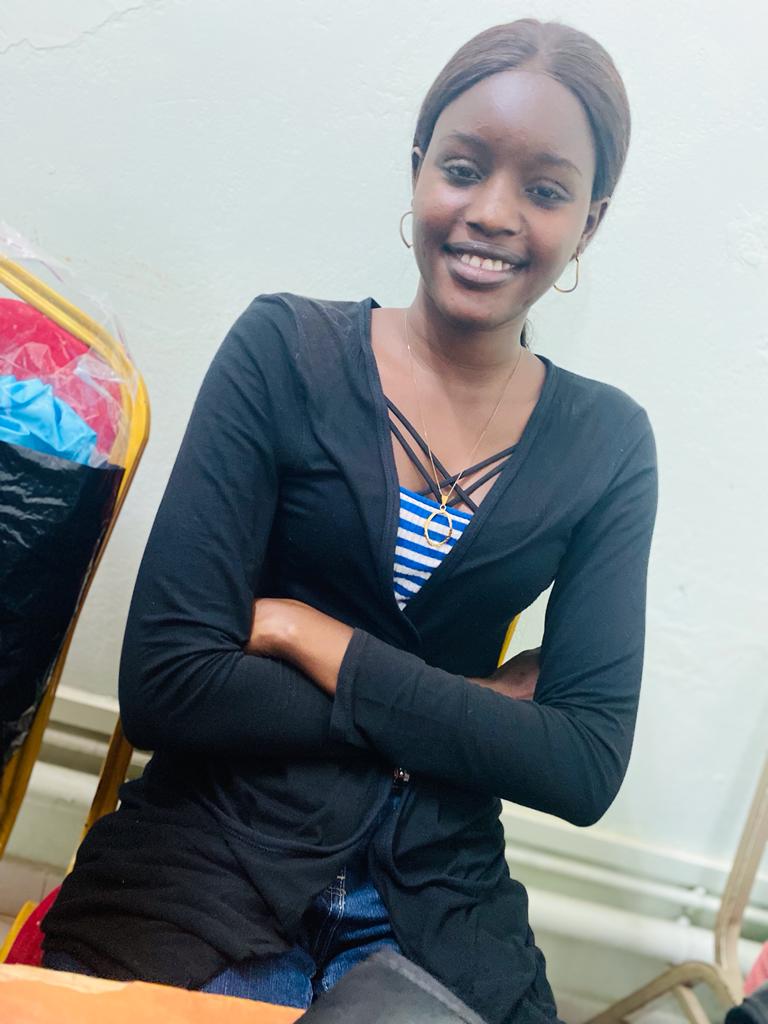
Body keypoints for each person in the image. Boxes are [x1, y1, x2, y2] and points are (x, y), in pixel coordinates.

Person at [40, 18, 657, 1024]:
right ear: (418, 171)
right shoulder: (282, 352)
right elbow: (169, 682)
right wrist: (468, 708)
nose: (493, 212)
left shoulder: (609, 444)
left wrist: (305, 632)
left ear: (588, 222)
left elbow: (581, 764)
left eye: (545, 191)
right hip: (209, 860)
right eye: (464, 168)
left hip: (441, 904)